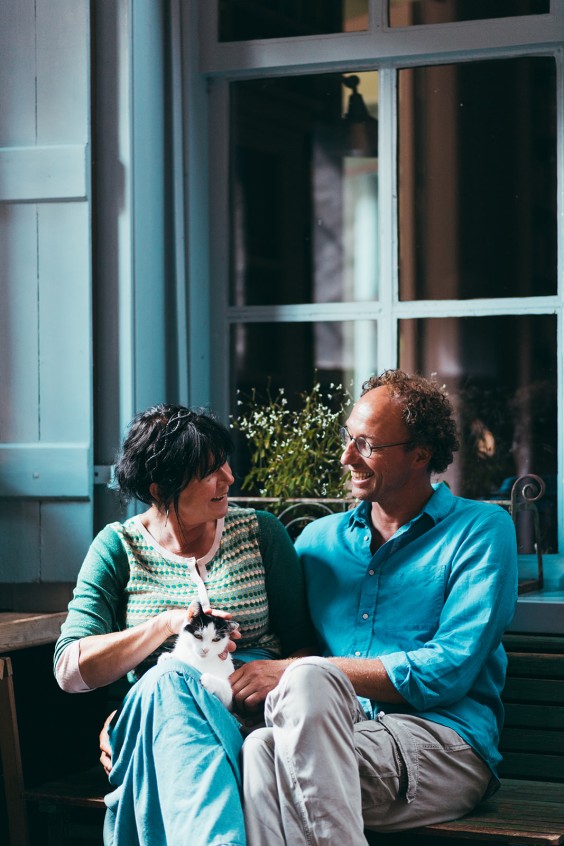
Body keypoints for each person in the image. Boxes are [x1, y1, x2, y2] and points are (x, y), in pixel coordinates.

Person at [233, 369, 519, 844]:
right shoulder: (317, 541)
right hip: (338, 735)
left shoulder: (482, 531)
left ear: (420, 453)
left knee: (297, 698)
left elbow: (448, 670)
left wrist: (310, 672)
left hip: (444, 744)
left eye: (366, 444)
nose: (346, 457)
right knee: (262, 747)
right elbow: (269, 647)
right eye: (348, 438)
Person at [54, 404, 316, 846]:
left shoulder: (261, 533)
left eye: (225, 463)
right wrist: (166, 624)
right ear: (162, 488)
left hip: (249, 720)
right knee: (168, 678)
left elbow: (308, 650)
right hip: (159, 707)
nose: (230, 478)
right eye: (211, 471)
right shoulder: (118, 548)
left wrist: (279, 672)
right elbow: (71, 671)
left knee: (165, 687)